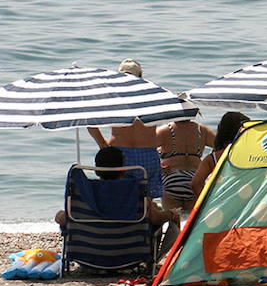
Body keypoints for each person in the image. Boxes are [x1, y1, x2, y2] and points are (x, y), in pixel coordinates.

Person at [88, 59, 165, 200]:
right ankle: (146, 220)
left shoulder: (112, 98)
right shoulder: (152, 95)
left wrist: (103, 146)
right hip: (147, 153)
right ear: (141, 77)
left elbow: (90, 122)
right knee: (146, 200)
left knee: (118, 196)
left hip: (119, 153)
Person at [56, 146, 177, 230]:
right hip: (130, 253)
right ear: (123, 171)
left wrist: (59, 215)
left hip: (87, 255)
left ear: (97, 171)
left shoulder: (85, 194)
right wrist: (170, 214)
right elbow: (155, 218)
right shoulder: (136, 191)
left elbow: (63, 219)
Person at [157, 111, 214, 215]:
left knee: (172, 220)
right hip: (194, 180)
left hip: (171, 180)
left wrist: (158, 165)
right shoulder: (202, 130)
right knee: (192, 222)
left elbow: (147, 148)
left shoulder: (166, 130)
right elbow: (223, 148)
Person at [191, 111, 249, 198]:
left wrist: (207, 202)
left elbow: (196, 184)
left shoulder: (214, 158)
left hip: (221, 204)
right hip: (246, 202)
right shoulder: (251, 155)